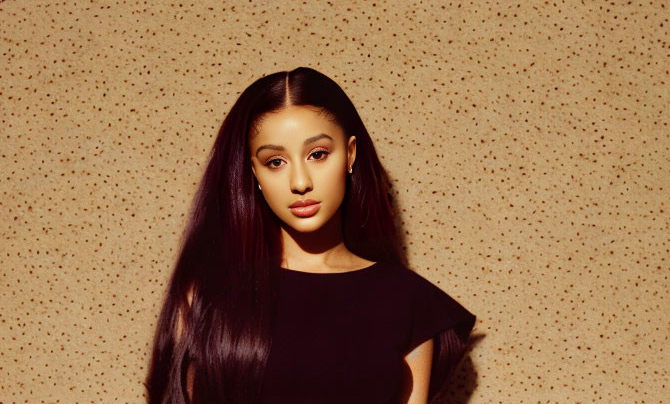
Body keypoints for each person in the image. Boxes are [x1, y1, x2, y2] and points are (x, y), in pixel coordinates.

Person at [144, 67, 476, 404]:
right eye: (275, 161)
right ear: (253, 173)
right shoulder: (208, 296)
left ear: (350, 154)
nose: (300, 182)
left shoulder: (408, 302)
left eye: (317, 154)